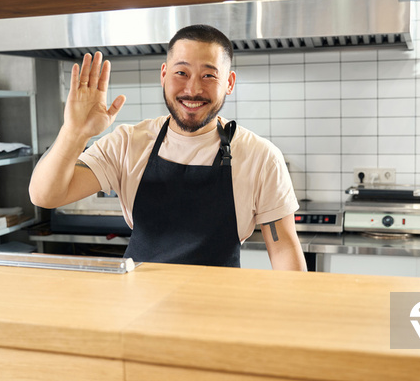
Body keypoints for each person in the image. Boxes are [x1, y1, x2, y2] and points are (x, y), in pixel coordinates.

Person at [29, 24, 306, 271]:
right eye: (181, 72)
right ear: (163, 74)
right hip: (139, 307)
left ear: (229, 83)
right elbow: (45, 196)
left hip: (219, 311)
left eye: (209, 76)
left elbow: (283, 248)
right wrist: (74, 133)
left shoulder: (260, 156)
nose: (193, 89)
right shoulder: (128, 143)